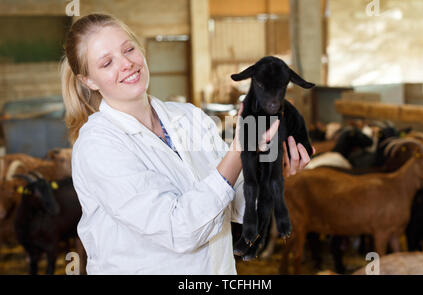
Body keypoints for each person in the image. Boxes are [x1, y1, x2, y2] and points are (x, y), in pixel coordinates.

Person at [62, 13, 312, 275]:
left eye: (129, 49)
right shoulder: (98, 145)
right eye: (107, 63)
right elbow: (179, 229)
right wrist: (239, 149)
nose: (126, 64)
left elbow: (236, 203)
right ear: (87, 80)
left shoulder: (187, 116)